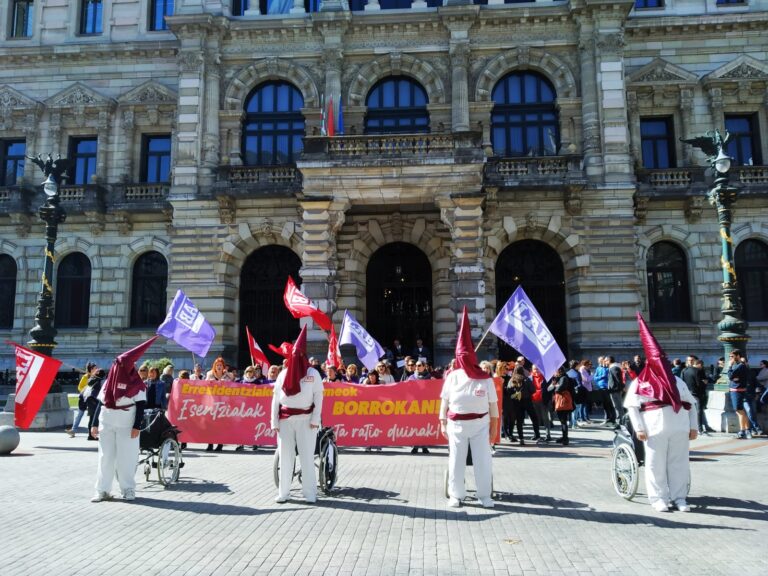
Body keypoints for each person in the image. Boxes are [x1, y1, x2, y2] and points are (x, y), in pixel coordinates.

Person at [624, 313, 697, 513]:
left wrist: (693, 426)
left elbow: (691, 403)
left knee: (679, 464)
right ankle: (658, 498)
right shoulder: (641, 382)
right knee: (655, 464)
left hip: (679, 427)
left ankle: (679, 497)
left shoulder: (678, 381)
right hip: (654, 427)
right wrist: (639, 428)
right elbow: (632, 405)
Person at [439, 307, 498, 509]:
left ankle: (484, 495)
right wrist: (442, 422)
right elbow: (444, 400)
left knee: (483, 461)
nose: (463, 359)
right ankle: (456, 495)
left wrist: (494, 427)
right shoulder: (453, 376)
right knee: (456, 461)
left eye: (466, 355)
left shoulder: (485, 378)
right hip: (456, 425)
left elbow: (493, 405)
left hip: (480, 424)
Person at [90, 336, 158, 502]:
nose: (118, 368)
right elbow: (101, 403)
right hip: (107, 422)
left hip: (127, 424)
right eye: (117, 365)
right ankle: (102, 490)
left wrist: (137, 426)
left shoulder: (137, 384)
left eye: (121, 365)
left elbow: (141, 405)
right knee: (105, 457)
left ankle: (128, 489)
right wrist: (94, 424)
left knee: (126, 458)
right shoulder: (108, 382)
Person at [271, 326, 324, 504]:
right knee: (285, 457)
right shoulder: (283, 374)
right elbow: (276, 398)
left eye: (299, 355)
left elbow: (319, 396)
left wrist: (316, 419)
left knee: (307, 456)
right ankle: (284, 493)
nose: (296, 358)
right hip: (285, 420)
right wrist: (274, 421)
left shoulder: (313, 374)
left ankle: (309, 493)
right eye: (294, 354)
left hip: (306, 420)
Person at [205, 357, 232, 451]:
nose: (219, 367)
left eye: (221, 365)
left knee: (221, 425)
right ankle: (210, 444)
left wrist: (226, 373)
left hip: (224, 404)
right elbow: (205, 385)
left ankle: (220, 444)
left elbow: (234, 380)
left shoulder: (228, 375)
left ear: (223, 367)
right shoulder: (209, 374)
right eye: (217, 365)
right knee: (211, 425)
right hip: (212, 403)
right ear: (214, 366)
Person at [67, 362, 98, 437]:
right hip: (84, 398)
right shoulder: (85, 377)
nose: (97, 369)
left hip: (93, 399)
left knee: (94, 415)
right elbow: (80, 387)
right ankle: (73, 430)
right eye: (95, 368)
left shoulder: (97, 377)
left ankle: (93, 431)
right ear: (91, 369)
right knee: (80, 413)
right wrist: (86, 390)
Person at [548, 365, 575, 446]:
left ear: (559, 371)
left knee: (563, 421)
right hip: (558, 401)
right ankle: (563, 437)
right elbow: (549, 389)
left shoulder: (564, 378)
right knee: (562, 421)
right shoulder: (557, 378)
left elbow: (559, 389)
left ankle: (565, 438)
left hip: (564, 402)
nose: (554, 373)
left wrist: (555, 386)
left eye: (555, 371)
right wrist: (554, 384)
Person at [728, 349, 752, 439]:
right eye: (730, 356)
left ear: (738, 356)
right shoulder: (739, 365)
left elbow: (730, 376)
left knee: (740, 411)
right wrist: (733, 377)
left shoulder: (739, 366)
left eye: (732, 356)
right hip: (737, 390)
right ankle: (747, 430)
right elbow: (733, 377)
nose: (730, 359)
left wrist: (729, 367)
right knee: (740, 411)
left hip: (737, 390)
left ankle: (742, 431)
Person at [531, 364, 552, 442]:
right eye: (534, 369)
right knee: (535, 419)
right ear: (532, 370)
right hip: (533, 400)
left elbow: (549, 389)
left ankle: (548, 435)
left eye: (538, 369)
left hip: (543, 400)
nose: (536, 371)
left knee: (545, 418)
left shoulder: (546, 377)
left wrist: (549, 399)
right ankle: (536, 434)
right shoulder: (530, 378)